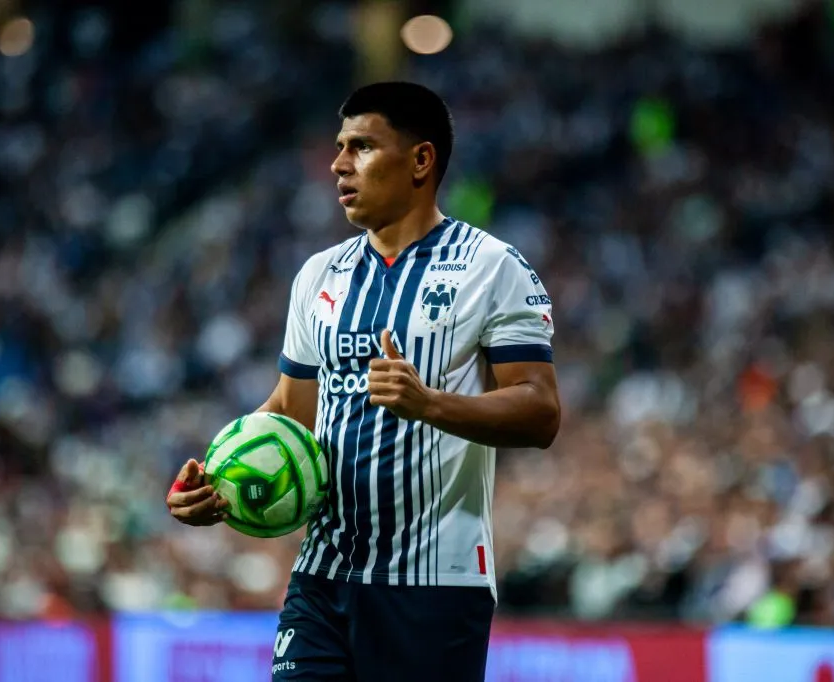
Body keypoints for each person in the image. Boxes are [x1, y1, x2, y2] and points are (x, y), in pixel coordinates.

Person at [166, 81, 561, 682]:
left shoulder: (492, 268)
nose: (338, 164)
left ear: (421, 161)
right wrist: (220, 482)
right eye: (339, 147)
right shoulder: (319, 275)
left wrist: (428, 403)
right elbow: (289, 412)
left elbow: (541, 411)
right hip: (323, 575)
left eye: (362, 147)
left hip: (433, 585)